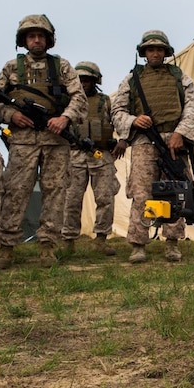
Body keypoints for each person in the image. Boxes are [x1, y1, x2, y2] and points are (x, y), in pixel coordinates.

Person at [0, 14, 87, 269]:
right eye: (31, 36)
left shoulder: (63, 66)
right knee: (15, 192)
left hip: (55, 140)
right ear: (24, 40)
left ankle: (47, 246)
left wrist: (64, 119)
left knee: (55, 193)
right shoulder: (11, 67)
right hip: (23, 141)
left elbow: (79, 98)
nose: (36, 40)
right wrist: (13, 115)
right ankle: (6, 247)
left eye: (41, 36)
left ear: (48, 39)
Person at [111, 29, 194, 263]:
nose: (155, 53)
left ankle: (172, 243)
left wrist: (180, 134)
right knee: (141, 193)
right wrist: (133, 120)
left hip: (173, 143)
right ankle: (138, 244)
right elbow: (117, 110)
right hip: (144, 141)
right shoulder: (132, 79)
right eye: (150, 49)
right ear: (144, 52)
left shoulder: (180, 77)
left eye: (159, 49)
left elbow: (192, 108)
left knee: (175, 192)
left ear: (166, 52)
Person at [61, 61, 118, 256]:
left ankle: (101, 239)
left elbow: (116, 122)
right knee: (71, 199)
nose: (83, 83)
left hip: (101, 155)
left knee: (105, 198)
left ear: (95, 81)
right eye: (80, 79)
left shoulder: (105, 101)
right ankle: (68, 240)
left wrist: (121, 141)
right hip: (75, 155)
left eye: (87, 79)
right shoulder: (67, 102)